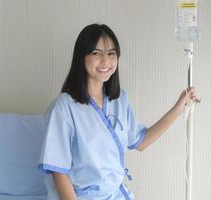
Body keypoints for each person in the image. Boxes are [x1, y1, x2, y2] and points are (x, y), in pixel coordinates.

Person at [38, 23, 198, 200]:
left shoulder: (119, 99)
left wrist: (177, 109)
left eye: (111, 54)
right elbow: (59, 172)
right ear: (81, 57)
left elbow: (141, 141)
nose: (105, 61)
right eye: (96, 53)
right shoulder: (63, 108)